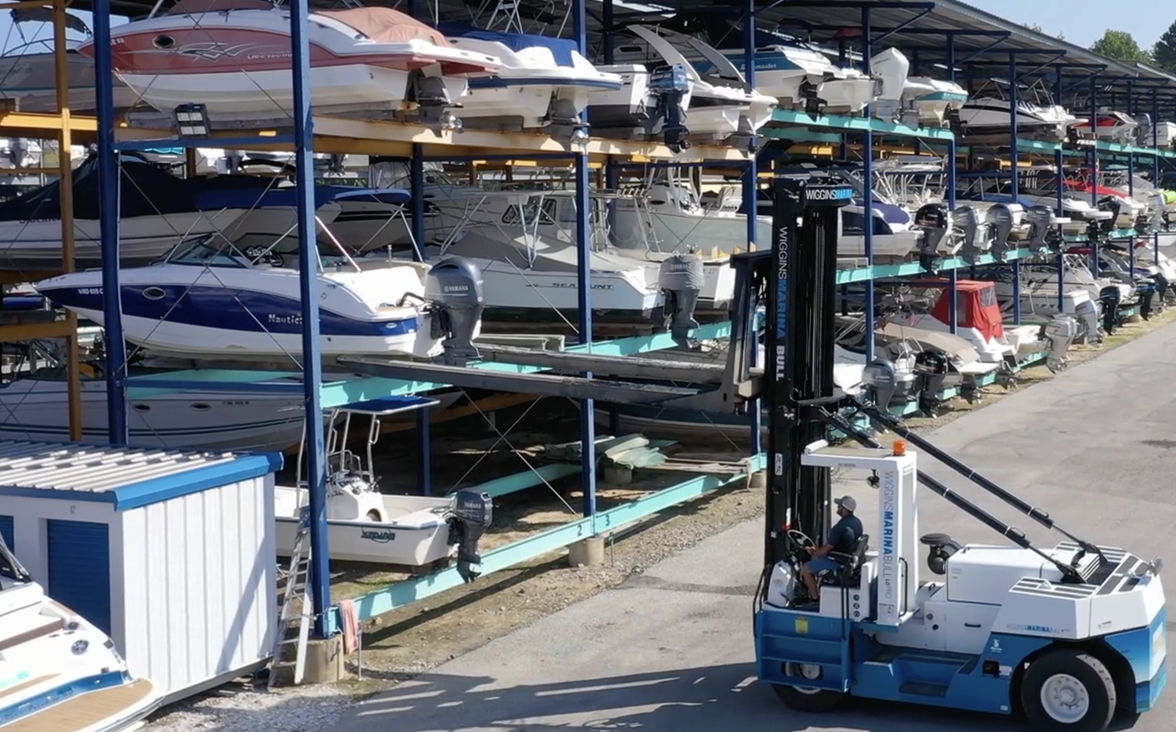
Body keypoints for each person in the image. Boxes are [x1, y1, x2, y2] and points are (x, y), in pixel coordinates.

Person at [800, 495, 863, 602]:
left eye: (839, 506)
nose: (837, 508)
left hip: (838, 560)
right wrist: (816, 552)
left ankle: (814, 598)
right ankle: (814, 584)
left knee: (805, 569)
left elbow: (826, 549)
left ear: (843, 509)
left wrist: (813, 551)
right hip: (847, 555)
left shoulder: (840, 527)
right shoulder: (857, 522)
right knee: (815, 556)